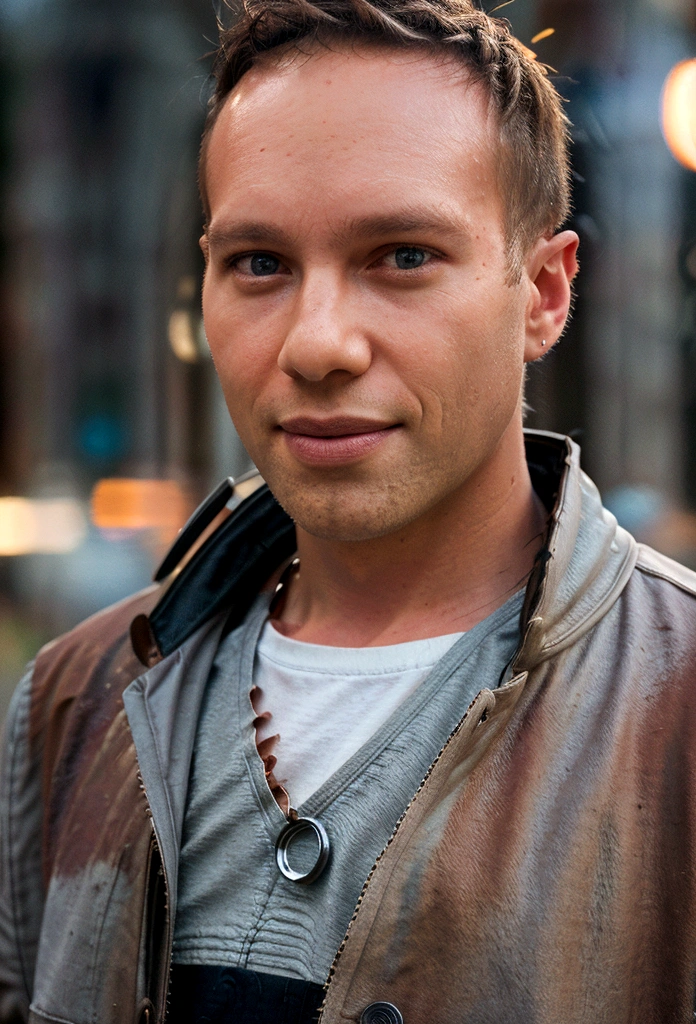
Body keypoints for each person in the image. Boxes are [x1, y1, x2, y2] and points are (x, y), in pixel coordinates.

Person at [2, 0, 696, 1021]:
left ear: (544, 294)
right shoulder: (73, 702)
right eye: (260, 264)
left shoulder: (676, 711)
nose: (318, 343)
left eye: (403, 256)